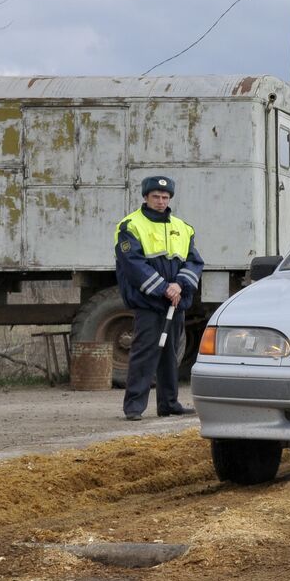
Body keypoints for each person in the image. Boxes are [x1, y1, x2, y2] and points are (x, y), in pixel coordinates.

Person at [115, 176, 204, 420]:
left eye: (165, 197)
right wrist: (163, 288)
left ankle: (169, 403)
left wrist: (179, 285)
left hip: (174, 303)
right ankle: (134, 406)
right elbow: (133, 264)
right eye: (156, 196)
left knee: (170, 353)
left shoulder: (183, 227)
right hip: (149, 302)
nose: (161, 201)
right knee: (145, 353)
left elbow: (194, 261)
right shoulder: (130, 225)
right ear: (146, 197)